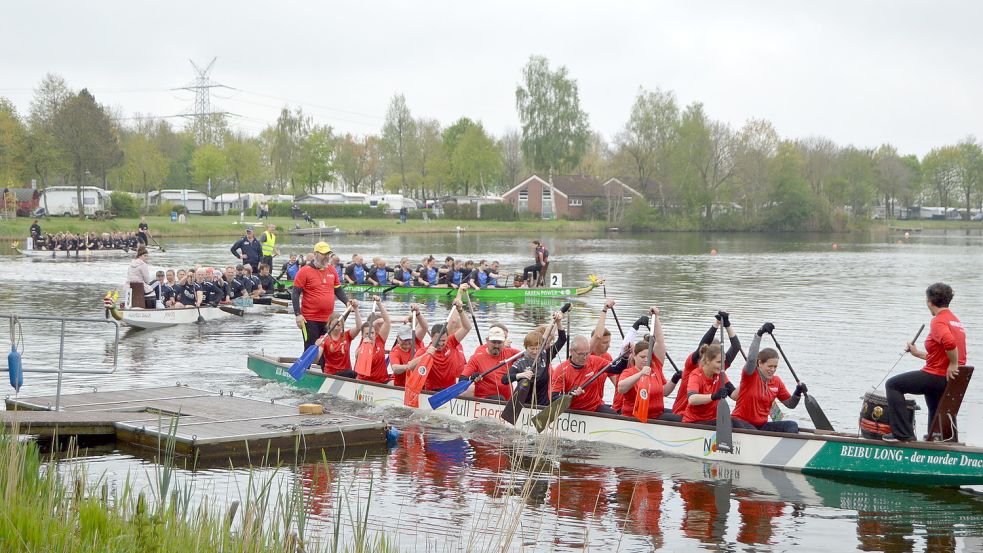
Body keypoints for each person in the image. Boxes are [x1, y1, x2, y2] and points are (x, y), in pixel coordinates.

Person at [883, 282, 967, 442]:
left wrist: (954, 363)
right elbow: (943, 355)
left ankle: (903, 434)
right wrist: (918, 354)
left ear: (929, 302)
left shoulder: (938, 321)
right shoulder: (955, 321)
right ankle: (937, 436)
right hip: (951, 378)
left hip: (939, 376)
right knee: (933, 397)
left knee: (893, 385)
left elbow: (949, 343)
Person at [730, 322, 804, 433]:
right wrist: (759, 334)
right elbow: (751, 359)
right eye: (770, 366)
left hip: (761, 426)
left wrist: (798, 392)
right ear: (759, 363)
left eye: (775, 366)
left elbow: (790, 404)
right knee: (754, 432)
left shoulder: (776, 381)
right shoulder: (750, 374)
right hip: (739, 422)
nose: (773, 370)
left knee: (792, 425)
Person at [616, 307, 683, 422]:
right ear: (634, 356)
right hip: (634, 417)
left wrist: (655, 317)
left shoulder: (655, 366)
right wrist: (641, 374)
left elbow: (665, 392)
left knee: (681, 414)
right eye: (642, 357)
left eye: (649, 357)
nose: (646, 360)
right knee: (678, 418)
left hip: (656, 414)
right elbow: (621, 388)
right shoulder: (629, 372)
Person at [670, 312, 742, 416]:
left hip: (705, 417)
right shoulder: (693, 364)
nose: (721, 362)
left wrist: (727, 325)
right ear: (707, 356)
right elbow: (702, 344)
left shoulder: (719, 367)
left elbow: (736, 347)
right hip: (682, 414)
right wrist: (716, 324)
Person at [408, 287, 473, 391]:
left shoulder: (451, 342)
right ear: (432, 338)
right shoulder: (425, 351)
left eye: (444, 340)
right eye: (438, 341)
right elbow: (410, 366)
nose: (441, 344)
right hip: (433, 392)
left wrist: (460, 310)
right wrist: (426, 355)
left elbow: (467, 327)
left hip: (450, 390)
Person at [550, 334, 630, 414]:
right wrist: (570, 394)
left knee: (615, 416)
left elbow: (617, 369)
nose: (585, 358)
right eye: (581, 354)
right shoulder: (561, 370)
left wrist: (625, 357)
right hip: (572, 411)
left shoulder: (594, 361)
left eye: (587, 353)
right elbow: (553, 398)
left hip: (594, 408)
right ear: (571, 351)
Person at [292, 242, 350, 350]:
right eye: (324, 254)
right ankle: (307, 367)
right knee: (311, 349)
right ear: (315, 254)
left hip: (328, 320)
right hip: (309, 320)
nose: (326, 257)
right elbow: (295, 293)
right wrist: (298, 315)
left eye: (328, 254)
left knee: (326, 350)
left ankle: (324, 367)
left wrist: (347, 302)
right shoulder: (304, 271)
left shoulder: (332, 270)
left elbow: (338, 290)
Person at [504, 315, 568, 407]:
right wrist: (520, 375)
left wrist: (558, 322)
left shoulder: (545, 355)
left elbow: (562, 339)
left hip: (543, 405)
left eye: (537, 349)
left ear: (541, 348)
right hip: (524, 405)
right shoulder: (520, 363)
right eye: (531, 349)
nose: (534, 352)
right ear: (526, 348)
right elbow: (505, 379)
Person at [459, 326, 522, 400]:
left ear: (504, 341)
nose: (496, 346)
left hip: (507, 402)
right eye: (494, 342)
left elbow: (530, 357)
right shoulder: (476, 358)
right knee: (499, 398)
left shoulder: (511, 353)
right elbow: (462, 379)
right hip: (485, 401)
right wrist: (472, 378)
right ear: (487, 340)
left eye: (499, 342)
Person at [682, 342, 737, 426]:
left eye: (723, 362)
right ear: (708, 361)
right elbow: (692, 399)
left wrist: (746, 381)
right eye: (719, 362)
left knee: (736, 421)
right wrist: (714, 396)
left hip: (712, 419)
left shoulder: (720, 374)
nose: (722, 366)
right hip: (694, 422)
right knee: (728, 422)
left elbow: (734, 396)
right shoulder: (696, 375)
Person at [315, 299, 362, 377]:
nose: (336, 328)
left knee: (354, 373)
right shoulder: (323, 339)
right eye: (334, 324)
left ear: (342, 326)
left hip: (346, 373)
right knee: (352, 373)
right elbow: (316, 360)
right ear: (329, 325)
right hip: (331, 374)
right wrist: (316, 347)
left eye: (338, 325)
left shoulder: (347, 335)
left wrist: (356, 308)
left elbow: (359, 327)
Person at [354, 296, 392, 383]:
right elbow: (357, 356)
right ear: (363, 336)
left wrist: (379, 303)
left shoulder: (380, 340)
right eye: (367, 334)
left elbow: (387, 321)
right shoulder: (362, 344)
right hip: (364, 381)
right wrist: (364, 346)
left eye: (372, 333)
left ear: (375, 333)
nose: (370, 335)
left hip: (382, 381)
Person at [390, 304, 428, 387]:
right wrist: (408, 367)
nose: (407, 342)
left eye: (409, 339)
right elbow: (395, 369)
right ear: (398, 338)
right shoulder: (395, 352)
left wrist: (418, 313)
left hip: (418, 385)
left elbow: (424, 327)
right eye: (404, 339)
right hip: (402, 386)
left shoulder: (415, 341)